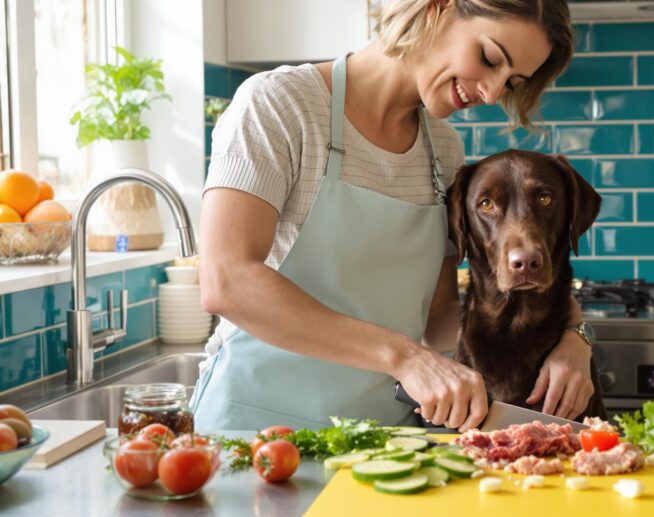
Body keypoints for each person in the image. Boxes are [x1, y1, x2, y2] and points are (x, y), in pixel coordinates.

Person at [191, 0, 593, 433]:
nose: (493, 94)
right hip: (255, 430)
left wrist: (575, 338)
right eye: (489, 58)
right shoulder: (280, 105)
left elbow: (440, 319)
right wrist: (403, 357)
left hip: (378, 436)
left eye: (511, 82)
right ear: (439, 8)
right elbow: (227, 282)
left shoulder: (442, 149)